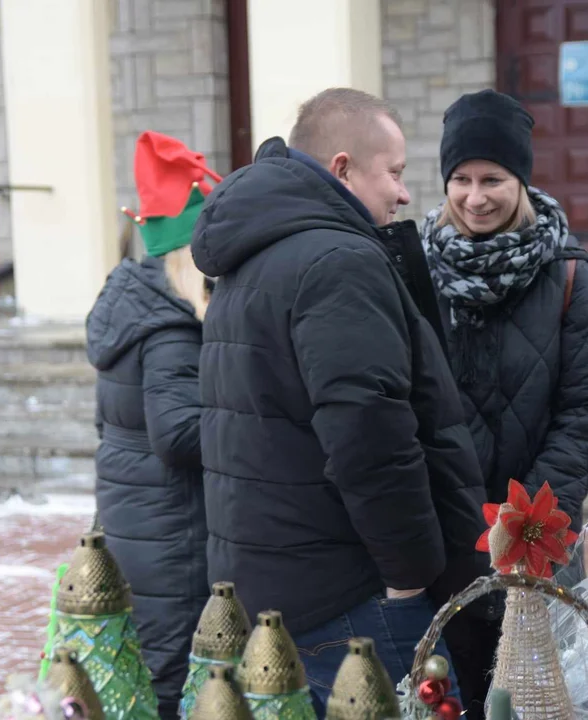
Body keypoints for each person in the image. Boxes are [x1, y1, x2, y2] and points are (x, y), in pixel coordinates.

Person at [189, 88, 493, 715]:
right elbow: (370, 439)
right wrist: (410, 579)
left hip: (275, 581)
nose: (404, 193)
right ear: (343, 168)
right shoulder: (338, 261)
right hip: (352, 592)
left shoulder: (256, 256)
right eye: (395, 173)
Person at [421, 88, 588, 584]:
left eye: (493, 179)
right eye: (460, 179)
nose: (475, 197)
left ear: (521, 182)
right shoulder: (414, 270)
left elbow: (583, 408)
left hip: (537, 533)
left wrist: (528, 522)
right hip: (435, 531)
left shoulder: (567, 274)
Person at [86, 131, 221, 718]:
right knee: (171, 679)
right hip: (174, 538)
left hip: (139, 523)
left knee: (149, 670)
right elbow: (178, 435)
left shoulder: (132, 307)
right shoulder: (169, 330)